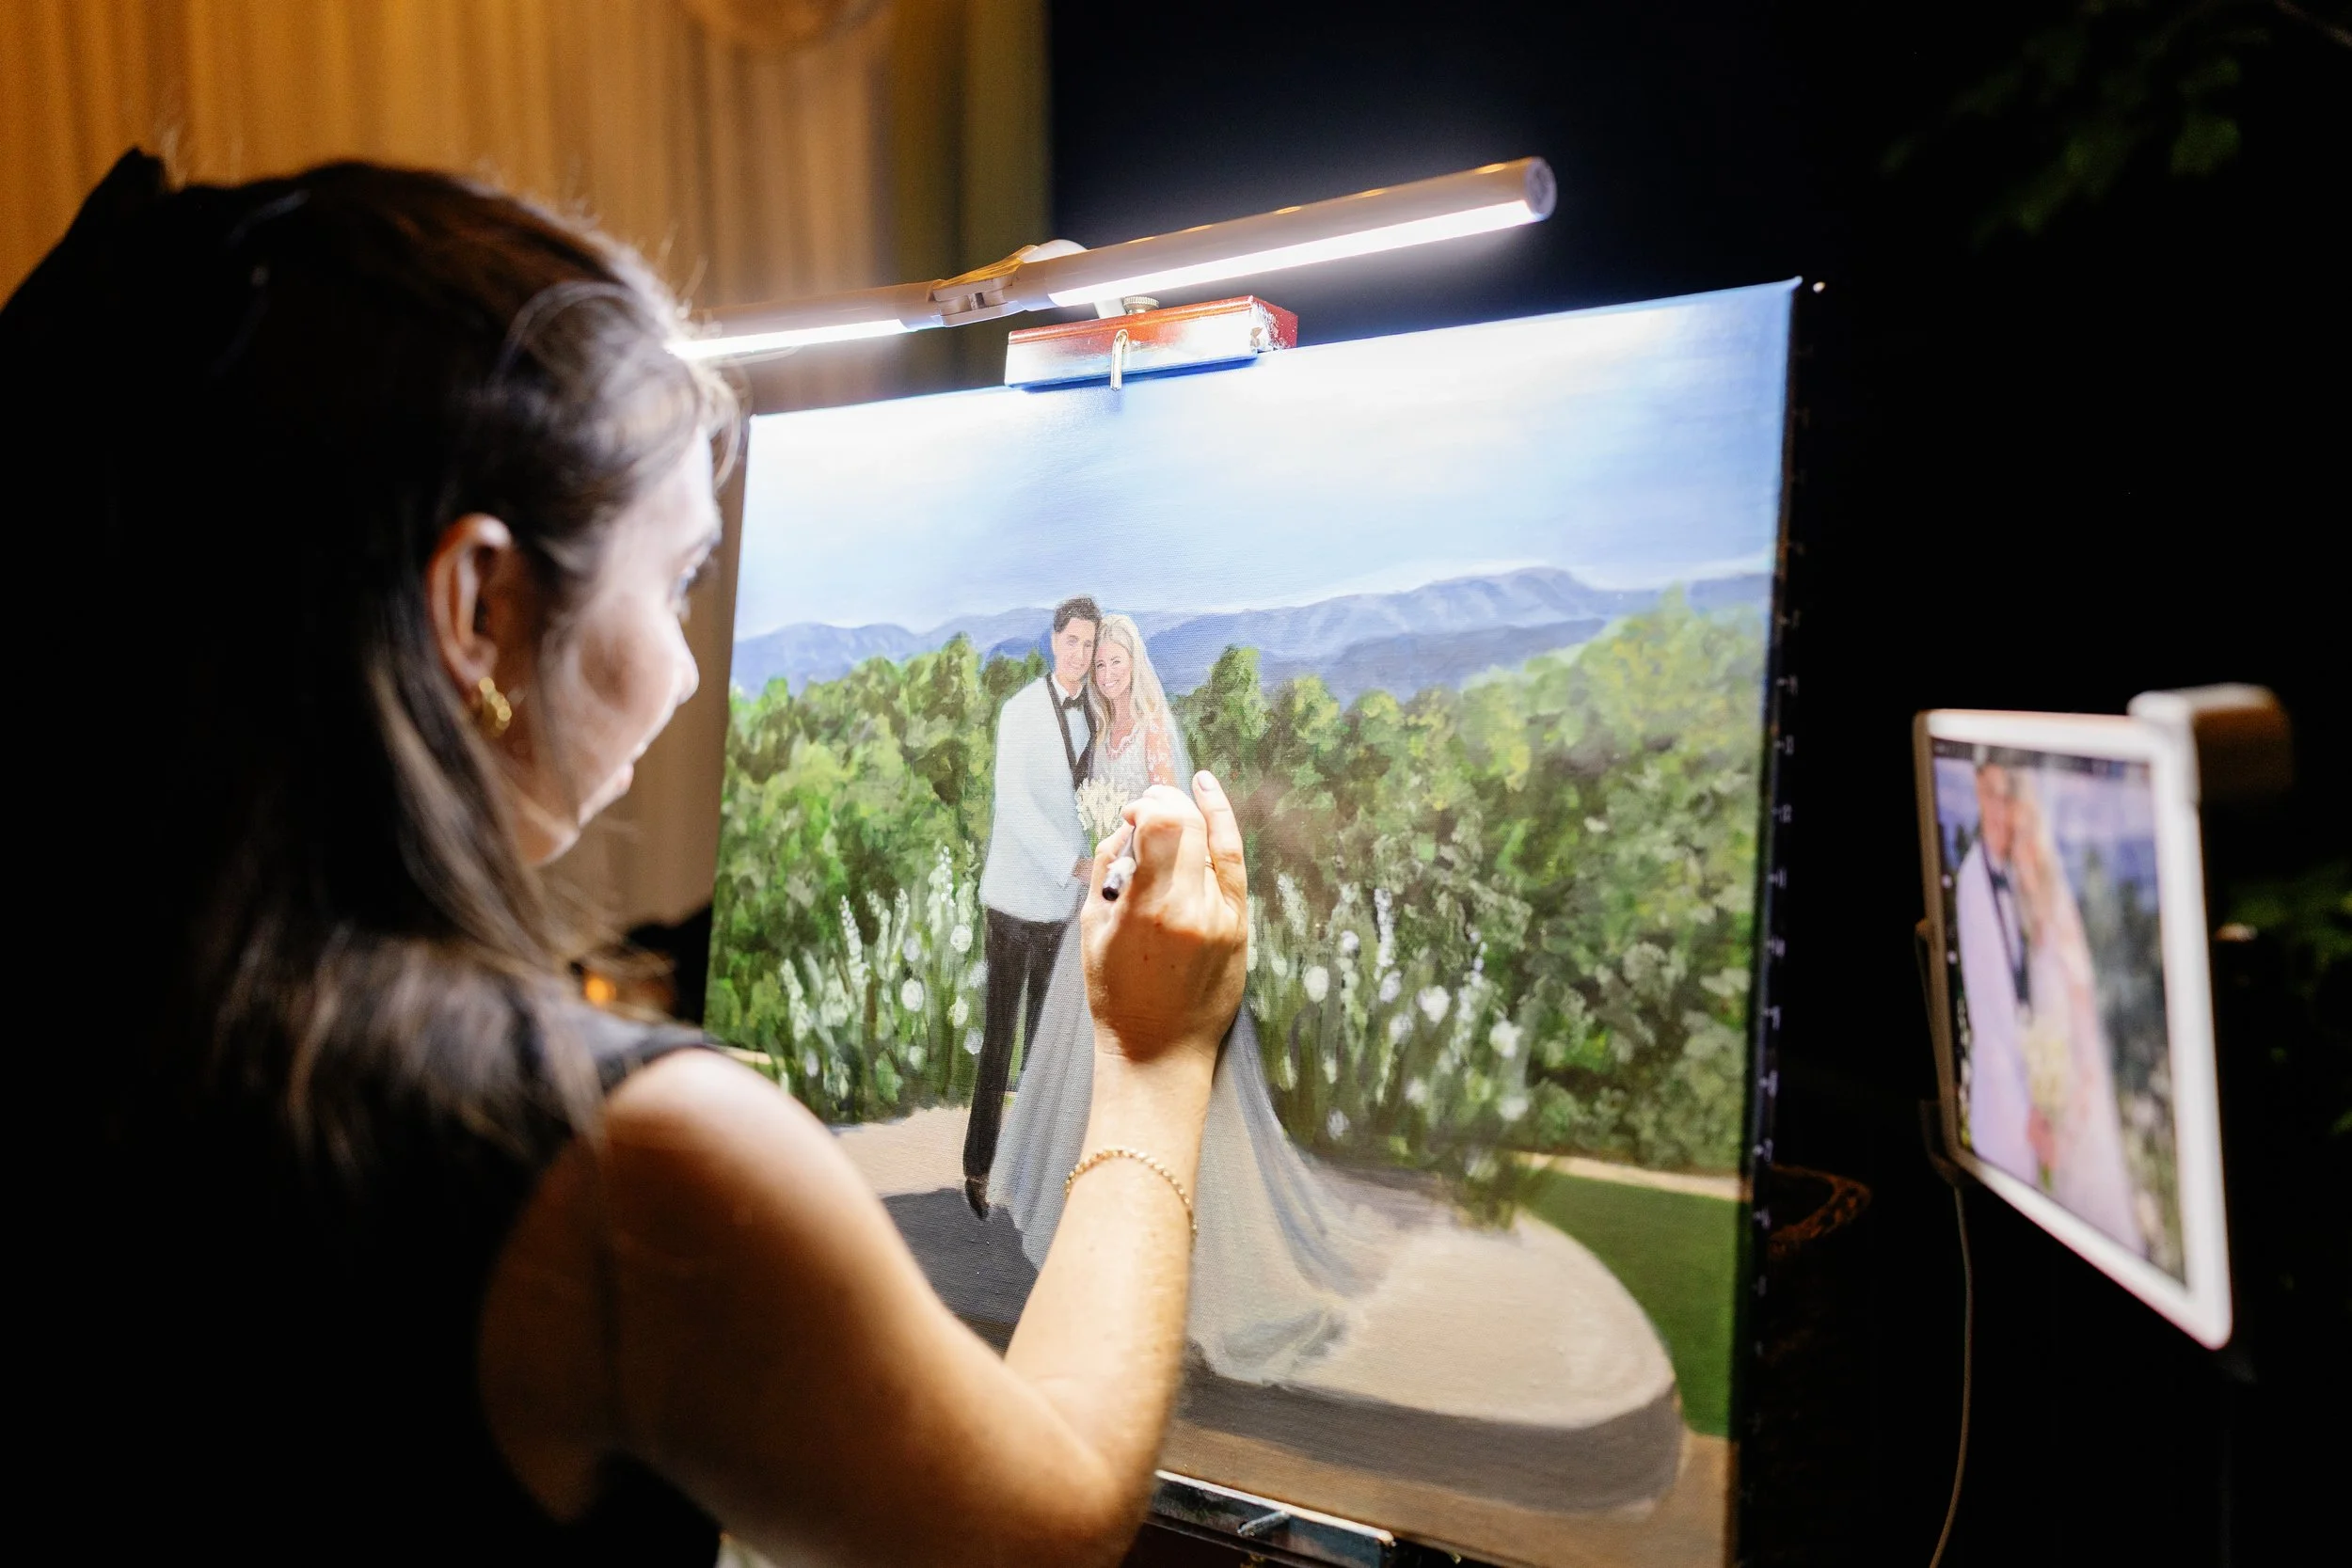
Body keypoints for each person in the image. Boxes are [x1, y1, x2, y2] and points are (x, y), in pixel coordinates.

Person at [22, 152, 1249, 1565]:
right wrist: (1152, 1063)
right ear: (478, 604)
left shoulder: (103, 996)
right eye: (670, 584)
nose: (680, 673)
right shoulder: (626, 1163)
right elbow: (1047, 1522)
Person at [990, 614, 1385, 1385]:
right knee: (1082, 1071)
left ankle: (1165, 1248)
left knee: (1148, 1069)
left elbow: (1169, 821)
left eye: (1113, 659)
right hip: (1103, 909)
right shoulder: (1097, 730)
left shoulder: (1156, 736)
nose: (1105, 670)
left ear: (1132, 664)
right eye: (1096, 659)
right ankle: (1091, 1227)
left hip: (1147, 915)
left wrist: (1129, 847)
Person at [965, 595, 1101, 1216]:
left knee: (1042, 1047)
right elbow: (1013, 802)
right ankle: (977, 1168)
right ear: (1054, 641)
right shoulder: (1019, 711)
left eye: (1089, 644)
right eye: (1071, 640)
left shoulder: (1096, 717)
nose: (1080, 653)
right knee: (999, 1039)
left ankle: (1028, 1177)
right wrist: (1067, 863)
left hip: (1064, 907)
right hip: (1015, 898)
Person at [2009, 785, 2146, 1253]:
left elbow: (2087, 1039)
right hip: (2054, 1106)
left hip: (2080, 1110)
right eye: (2015, 844)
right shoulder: (2032, 930)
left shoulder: (2063, 926)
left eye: (2029, 840)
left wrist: (2070, 1124)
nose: (2022, 855)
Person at [1953, 759, 2039, 1185]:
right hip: (2005, 1104)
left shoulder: (2015, 874)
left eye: (2009, 799)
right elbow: (1994, 1013)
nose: (2002, 812)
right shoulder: (1973, 883)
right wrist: (2029, 1111)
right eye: (1993, 798)